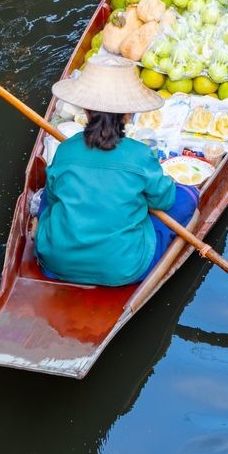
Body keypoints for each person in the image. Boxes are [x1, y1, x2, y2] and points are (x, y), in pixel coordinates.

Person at [35, 55, 199, 287]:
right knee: (188, 197)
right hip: (123, 269)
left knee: (48, 195)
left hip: (56, 262)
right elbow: (164, 200)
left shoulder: (65, 150)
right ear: (128, 114)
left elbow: (52, 199)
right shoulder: (140, 154)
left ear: (86, 110)